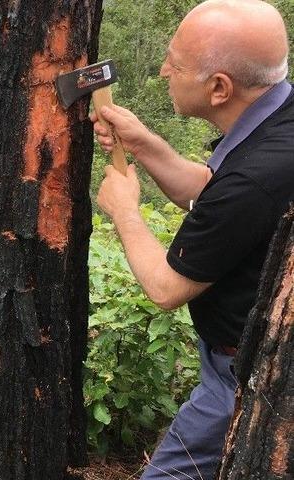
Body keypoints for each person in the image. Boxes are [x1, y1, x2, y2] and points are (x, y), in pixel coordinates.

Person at [93, 1, 294, 478]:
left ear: (219, 87)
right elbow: (215, 194)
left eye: (175, 64)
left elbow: (166, 288)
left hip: (246, 376)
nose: (164, 70)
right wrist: (146, 145)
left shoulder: (256, 177)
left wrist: (125, 211)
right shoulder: (277, 123)